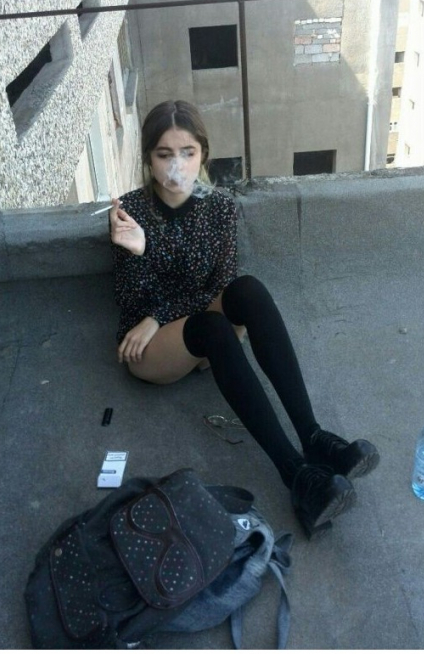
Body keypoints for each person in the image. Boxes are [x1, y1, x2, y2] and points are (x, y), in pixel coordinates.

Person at [109, 100, 379, 538]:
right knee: (212, 326)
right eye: (164, 154)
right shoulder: (131, 211)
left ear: (203, 154)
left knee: (247, 289)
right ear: (148, 158)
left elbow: (221, 283)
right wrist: (138, 255)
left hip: (182, 325)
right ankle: (296, 475)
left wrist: (161, 313)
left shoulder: (218, 207)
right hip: (153, 349)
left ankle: (313, 437)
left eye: (188, 152)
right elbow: (131, 303)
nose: (177, 166)